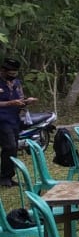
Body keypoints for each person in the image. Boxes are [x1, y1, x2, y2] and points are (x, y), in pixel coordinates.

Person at [0, 58, 36, 187]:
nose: (12, 77)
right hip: (2, 120)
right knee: (9, 146)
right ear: (3, 71)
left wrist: (26, 101)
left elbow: (20, 98)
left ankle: (9, 176)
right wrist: (10, 103)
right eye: (10, 74)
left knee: (13, 147)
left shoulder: (17, 83)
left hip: (15, 119)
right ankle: (4, 177)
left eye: (15, 74)